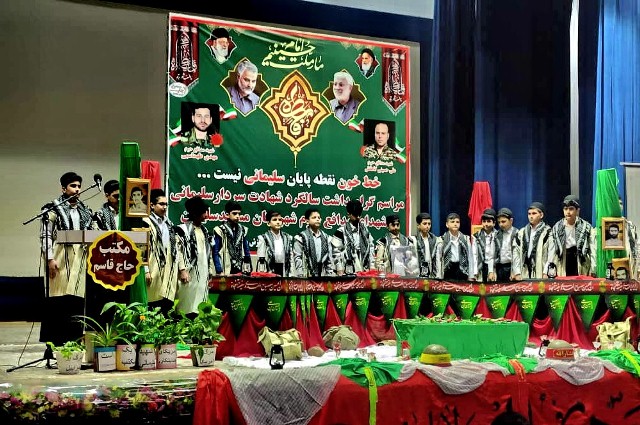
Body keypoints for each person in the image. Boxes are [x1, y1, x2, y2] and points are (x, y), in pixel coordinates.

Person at [39, 171, 95, 345]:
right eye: (73, 186)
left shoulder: (86, 211)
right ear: (63, 188)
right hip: (60, 260)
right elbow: (45, 236)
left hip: (80, 261)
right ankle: (55, 345)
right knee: (59, 301)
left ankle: (74, 343)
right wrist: (50, 259)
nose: (77, 189)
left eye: (79, 186)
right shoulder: (52, 209)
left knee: (76, 302)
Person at [143, 189, 188, 314]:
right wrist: (145, 270)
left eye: (166, 204)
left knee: (166, 304)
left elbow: (177, 247)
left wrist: (182, 269)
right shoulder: (146, 222)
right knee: (151, 303)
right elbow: (142, 248)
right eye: (161, 204)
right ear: (152, 205)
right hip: (153, 268)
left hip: (168, 269)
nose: (165, 207)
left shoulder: (169, 223)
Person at [176, 196, 213, 316]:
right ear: (196, 213)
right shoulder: (182, 230)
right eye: (203, 212)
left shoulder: (205, 231)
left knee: (200, 305)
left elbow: (208, 253)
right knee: (186, 305)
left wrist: (210, 271)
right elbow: (178, 252)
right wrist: (182, 270)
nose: (206, 215)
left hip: (203, 273)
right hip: (188, 272)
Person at [547, 195, 596, 277]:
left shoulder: (586, 227)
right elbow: (552, 251)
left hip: (580, 261)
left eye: (571, 209)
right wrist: (548, 270)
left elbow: (592, 249)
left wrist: (593, 269)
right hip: (563, 261)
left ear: (577, 210)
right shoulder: (557, 227)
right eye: (565, 209)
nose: (568, 212)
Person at [330, 200, 374, 275]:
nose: (358, 217)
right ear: (349, 214)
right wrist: (339, 268)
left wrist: (372, 266)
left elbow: (371, 248)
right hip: (348, 268)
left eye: (359, 214)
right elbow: (336, 252)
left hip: (364, 268)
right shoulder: (341, 231)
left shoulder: (365, 230)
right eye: (355, 215)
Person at [512, 202, 551, 279]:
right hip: (525, 270)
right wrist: (517, 272)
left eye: (534, 213)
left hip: (541, 271)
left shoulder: (548, 232)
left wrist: (546, 272)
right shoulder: (522, 232)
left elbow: (550, 255)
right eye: (529, 214)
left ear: (541, 215)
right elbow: (516, 252)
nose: (531, 216)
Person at [293, 208, 335, 277]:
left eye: (319, 217)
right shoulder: (301, 237)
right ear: (307, 221)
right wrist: (300, 275)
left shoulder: (326, 238)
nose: (317, 219)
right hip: (307, 274)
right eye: (314, 217)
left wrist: (329, 274)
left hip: (323, 274)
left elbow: (329, 258)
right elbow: (297, 257)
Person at [213, 201, 251, 275]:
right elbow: (215, 252)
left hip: (240, 268)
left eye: (239, 214)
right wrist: (219, 270)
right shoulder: (220, 230)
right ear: (227, 215)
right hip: (226, 268)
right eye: (234, 213)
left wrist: (249, 267)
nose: (237, 216)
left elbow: (246, 250)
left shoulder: (243, 230)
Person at [436, 213, 476, 281]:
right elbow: (439, 259)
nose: (455, 224)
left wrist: (471, 275)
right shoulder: (442, 240)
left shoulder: (465, 239)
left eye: (457, 222)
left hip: (462, 270)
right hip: (447, 270)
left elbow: (470, 258)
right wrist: (439, 276)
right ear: (447, 224)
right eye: (452, 222)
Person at [256, 210, 294, 276]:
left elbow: (291, 258)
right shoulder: (263, 238)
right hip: (269, 272)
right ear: (268, 223)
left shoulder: (287, 237)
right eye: (274, 220)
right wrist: (263, 275)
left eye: (280, 220)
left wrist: (291, 274)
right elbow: (261, 260)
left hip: (284, 271)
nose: (278, 222)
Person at [410, 212, 442, 278]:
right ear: (418, 225)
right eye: (424, 224)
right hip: (417, 274)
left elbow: (438, 260)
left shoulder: (436, 240)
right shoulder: (413, 240)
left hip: (431, 274)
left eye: (429, 224)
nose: (427, 226)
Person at [473, 208, 499, 282]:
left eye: (489, 221)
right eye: (484, 221)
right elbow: (474, 255)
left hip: (495, 266)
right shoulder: (476, 236)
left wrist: (492, 270)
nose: (486, 224)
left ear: (494, 223)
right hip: (481, 266)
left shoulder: (498, 235)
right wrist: (475, 271)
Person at [495, 207, 518, 281]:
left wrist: (515, 271)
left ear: (511, 221)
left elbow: (518, 256)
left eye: (503, 221)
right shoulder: (496, 234)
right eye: (499, 222)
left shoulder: (517, 233)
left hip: (510, 267)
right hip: (499, 267)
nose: (501, 224)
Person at [619, 196, 639, 279]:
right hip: (617, 262)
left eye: (621, 203)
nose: (620, 206)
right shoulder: (608, 224)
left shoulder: (630, 225)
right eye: (617, 204)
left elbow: (636, 245)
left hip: (630, 261)